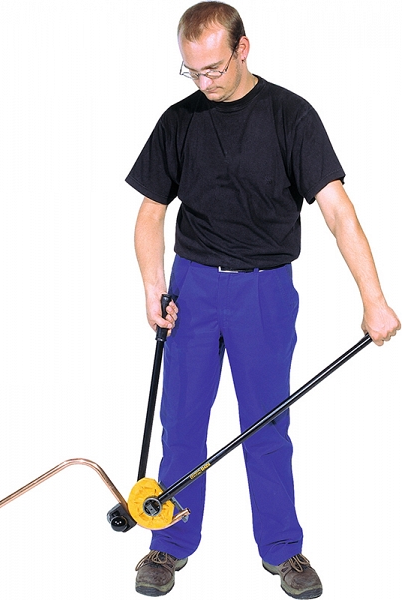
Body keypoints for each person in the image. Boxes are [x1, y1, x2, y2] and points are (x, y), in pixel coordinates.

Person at [125, 2, 400, 598]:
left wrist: (373, 299)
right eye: (192, 71)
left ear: (242, 49)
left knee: (266, 425)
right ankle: (169, 541)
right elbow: (150, 213)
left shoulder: (290, 116)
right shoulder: (179, 121)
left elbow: (337, 211)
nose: (204, 82)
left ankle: (282, 549)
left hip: (264, 290)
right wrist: (153, 287)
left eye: (214, 69)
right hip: (192, 288)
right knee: (183, 423)